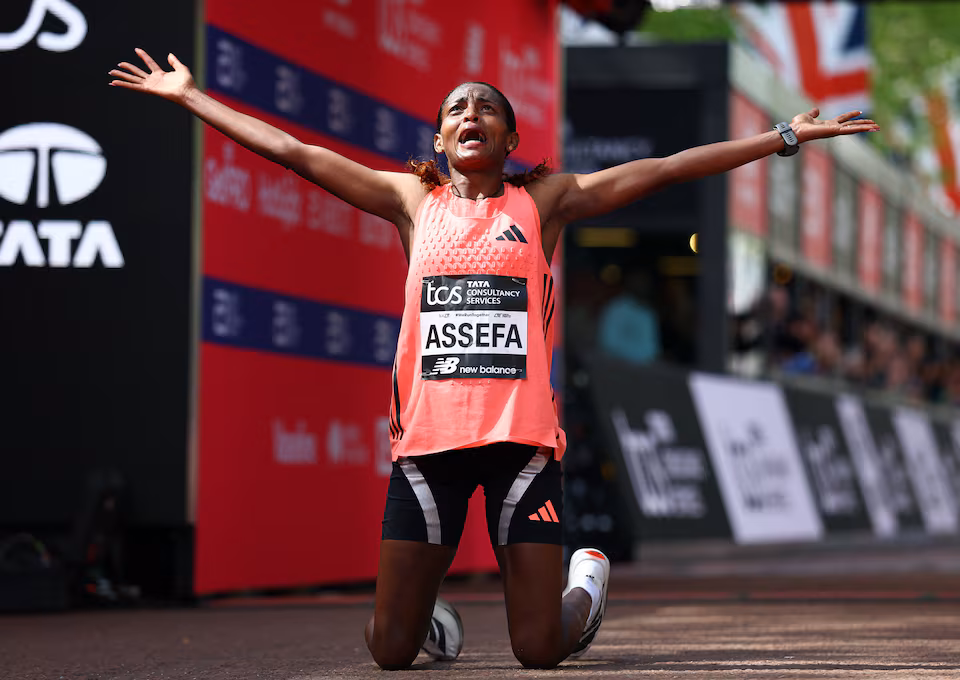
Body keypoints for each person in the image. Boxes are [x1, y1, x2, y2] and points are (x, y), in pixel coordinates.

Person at [109, 48, 879, 670]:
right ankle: (423, 618)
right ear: (440, 142)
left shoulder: (544, 203)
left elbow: (670, 168)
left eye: (487, 109)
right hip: (429, 450)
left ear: (511, 143)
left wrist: (782, 136)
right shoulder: (411, 202)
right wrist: (189, 98)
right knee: (389, 653)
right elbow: (294, 153)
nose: (470, 114)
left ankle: (585, 583)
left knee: (539, 651)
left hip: (520, 448)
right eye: (455, 109)